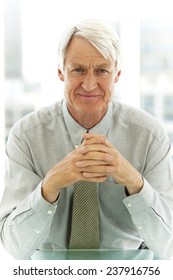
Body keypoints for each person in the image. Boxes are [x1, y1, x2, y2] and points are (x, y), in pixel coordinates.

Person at [0, 19, 173, 260]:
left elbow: (168, 246)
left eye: (102, 70)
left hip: (130, 271)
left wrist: (133, 181)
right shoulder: (25, 136)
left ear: (117, 74)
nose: (89, 84)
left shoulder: (149, 136)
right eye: (78, 69)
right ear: (60, 72)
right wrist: (48, 187)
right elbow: (15, 248)